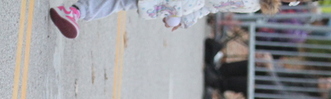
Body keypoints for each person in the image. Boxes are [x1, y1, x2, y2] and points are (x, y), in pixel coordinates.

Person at [49, 0, 280, 36]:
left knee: (124, 1)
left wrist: (183, 19)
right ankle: (76, 12)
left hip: (183, 3)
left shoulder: (252, 6)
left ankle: (75, 13)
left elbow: (211, 6)